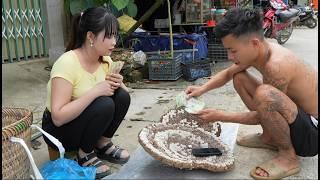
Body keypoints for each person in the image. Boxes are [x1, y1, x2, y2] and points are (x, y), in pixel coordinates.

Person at [185, 8, 318, 179]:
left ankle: (288, 157)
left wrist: (220, 115)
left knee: (265, 95)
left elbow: (260, 113)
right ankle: (270, 137)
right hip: (297, 114)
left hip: (312, 135)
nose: (230, 56)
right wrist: (201, 89)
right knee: (239, 77)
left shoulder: (276, 66)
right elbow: (227, 74)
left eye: (233, 50)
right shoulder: (260, 49)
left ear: (254, 43)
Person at [41, 7, 131, 178]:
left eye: (115, 36)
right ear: (90, 36)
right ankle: (85, 153)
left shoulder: (105, 60)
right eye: (109, 36)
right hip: (59, 131)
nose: (114, 41)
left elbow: (123, 97)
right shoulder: (67, 63)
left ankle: (103, 143)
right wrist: (95, 91)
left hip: (82, 122)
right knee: (103, 102)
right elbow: (58, 118)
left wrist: (119, 84)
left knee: (121, 96)